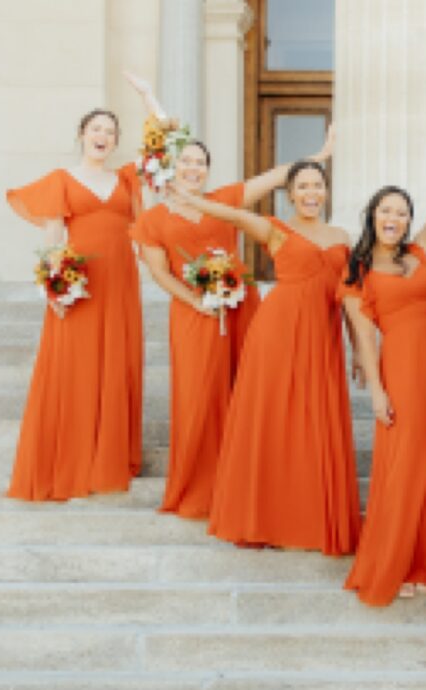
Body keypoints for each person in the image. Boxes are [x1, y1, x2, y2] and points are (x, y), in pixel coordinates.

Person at [128, 79, 328, 520]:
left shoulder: (225, 199)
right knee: (198, 399)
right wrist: (195, 302)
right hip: (193, 314)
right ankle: (199, 489)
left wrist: (319, 156)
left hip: (243, 309)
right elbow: (160, 273)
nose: (193, 169)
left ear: (207, 170)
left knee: (245, 394)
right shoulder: (154, 220)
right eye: (187, 162)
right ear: (174, 167)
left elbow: (279, 177)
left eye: (201, 163)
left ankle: (243, 485)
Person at [195, 159, 361, 555]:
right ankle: (265, 519)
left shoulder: (342, 237)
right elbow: (232, 214)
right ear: (290, 194)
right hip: (277, 333)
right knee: (273, 419)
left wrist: (356, 346)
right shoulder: (274, 227)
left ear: (326, 191)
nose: (310, 193)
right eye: (302, 186)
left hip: (322, 337)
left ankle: (309, 521)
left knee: (313, 421)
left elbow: (351, 297)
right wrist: (190, 199)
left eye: (317, 185)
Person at [341, 180, 426, 605]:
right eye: (386, 211)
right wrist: (377, 392)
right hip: (404, 370)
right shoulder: (357, 273)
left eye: (401, 213)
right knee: (409, 461)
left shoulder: (420, 253)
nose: (394, 219)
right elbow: (364, 338)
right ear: (372, 216)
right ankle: (407, 561)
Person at [5, 105, 145, 502]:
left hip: (119, 283)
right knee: (77, 365)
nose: (103, 136)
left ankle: (109, 455)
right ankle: (73, 458)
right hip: (80, 285)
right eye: (96, 128)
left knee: (116, 360)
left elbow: (168, 144)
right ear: (82, 134)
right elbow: (51, 239)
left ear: (116, 141)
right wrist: (52, 290)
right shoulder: (62, 180)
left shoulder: (126, 179)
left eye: (111, 131)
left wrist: (148, 97)